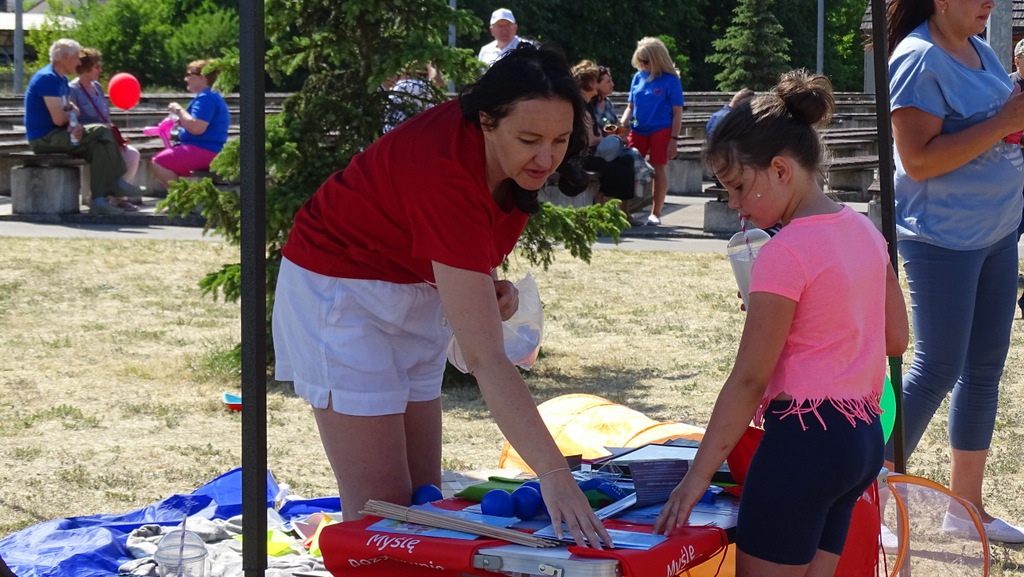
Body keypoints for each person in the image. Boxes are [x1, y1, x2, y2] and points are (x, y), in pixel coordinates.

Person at [271, 44, 613, 549]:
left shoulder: (502, 157)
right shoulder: (445, 175)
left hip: (412, 291)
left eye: (560, 140)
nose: (546, 158)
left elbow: (458, 245)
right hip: (341, 294)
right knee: (383, 513)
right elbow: (486, 358)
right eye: (529, 140)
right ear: (485, 122)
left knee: (422, 500)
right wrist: (554, 475)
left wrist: (483, 286)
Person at [652, 69, 909, 577]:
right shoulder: (864, 230)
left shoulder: (783, 253)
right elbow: (897, 339)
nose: (734, 204)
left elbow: (749, 379)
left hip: (803, 444)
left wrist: (696, 478)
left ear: (780, 170)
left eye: (738, 186)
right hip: (860, 441)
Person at [883, 0, 1024, 544]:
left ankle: (965, 510)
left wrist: (1011, 122)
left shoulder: (980, 49)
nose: (990, 1)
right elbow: (918, 161)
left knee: (983, 370)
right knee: (936, 367)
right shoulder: (917, 57)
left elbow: (993, 131)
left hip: (996, 234)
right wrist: (1004, 122)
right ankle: (856, 499)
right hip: (942, 239)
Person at [24, 38, 141, 216]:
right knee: (102, 130)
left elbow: (71, 110)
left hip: (58, 134)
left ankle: (98, 201)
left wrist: (74, 122)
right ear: (65, 57)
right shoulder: (47, 78)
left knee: (100, 146)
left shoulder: (61, 80)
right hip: (44, 138)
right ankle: (116, 181)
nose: (79, 62)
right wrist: (72, 117)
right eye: (76, 58)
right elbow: (59, 118)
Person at [618, 37, 683, 226]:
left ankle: (656, 213)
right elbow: (630, 106)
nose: (642, 65)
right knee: (629, 167)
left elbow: (677, 112)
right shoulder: (638, 77)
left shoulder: (671, 81)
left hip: (661, 129)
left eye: (646, 61)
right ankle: (625, 211)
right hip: (638, 128)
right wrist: (622, 124)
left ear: (657, 59)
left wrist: (674, 139)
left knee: (658, 168)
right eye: (640, 61)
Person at [69, 47, 142, 210]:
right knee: (109, 153)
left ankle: (116, 199)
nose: (100, 69)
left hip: (105, 136)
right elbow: (73, 120)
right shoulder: (73, 90)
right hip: (89, 139)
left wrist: (118, 138)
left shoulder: (97, 87)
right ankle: (101, 198)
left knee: (132, 154)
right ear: (85, 67)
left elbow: (105, 117)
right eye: (96, 66)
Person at [571, 60, 642, 225]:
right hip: (581, 156)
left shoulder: (588, 104)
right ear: (588, 83)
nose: (597, 85)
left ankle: (620, 210)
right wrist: (610, 140)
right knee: (617, 169)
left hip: (592, 152)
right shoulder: (581, 107)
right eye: (594, 81)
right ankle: (602, 202)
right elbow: (590, 140)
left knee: (627, 161)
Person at [150, 59, 229, 191]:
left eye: (189, 75)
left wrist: (178, 109)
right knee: (164, 161)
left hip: (204, 150)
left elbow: (196, 128)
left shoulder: (206, 97)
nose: (185, 79)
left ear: (202, 77)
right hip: (206, 149)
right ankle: (183, 198)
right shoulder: (209, 96)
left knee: (159, 162)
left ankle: (181, 199)